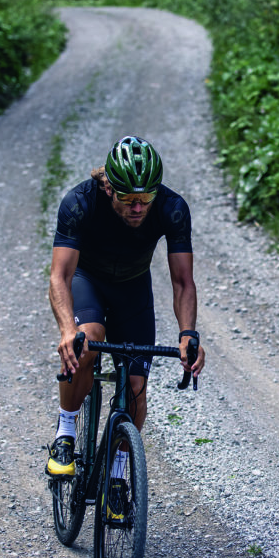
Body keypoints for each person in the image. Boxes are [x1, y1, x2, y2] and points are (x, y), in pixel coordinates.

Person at [46, 135, 205, 511]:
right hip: (89, 282)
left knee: (136, 384)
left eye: (146, 199)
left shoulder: (172, 208)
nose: (138, 208)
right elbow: (59, 276)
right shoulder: (80, 202)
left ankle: (117, 476)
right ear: (108, 186)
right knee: (89, 339)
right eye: (129, 199)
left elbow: (183, 281)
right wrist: (69, 330)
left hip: (133, 289)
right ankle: (66, 431)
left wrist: (188, 334)